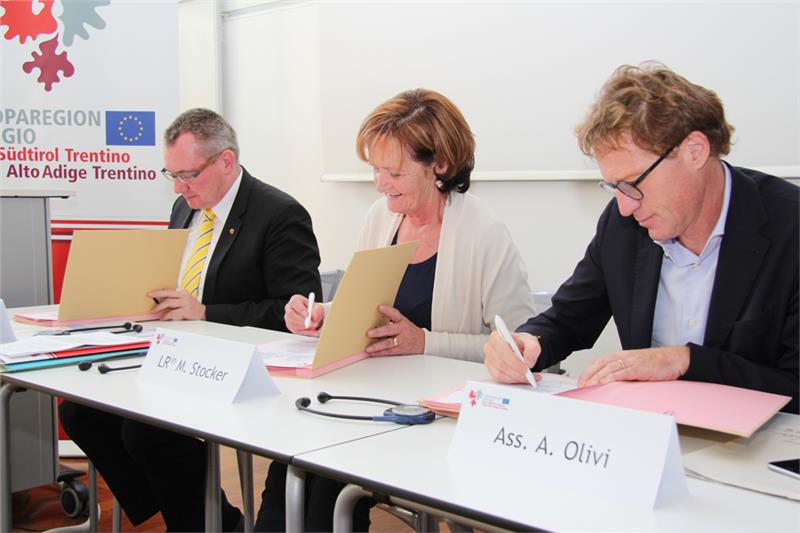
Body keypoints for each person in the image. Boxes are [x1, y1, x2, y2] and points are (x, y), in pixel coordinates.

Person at [256, 89, 536, 531]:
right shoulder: (380, 217)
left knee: (325, 480)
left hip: (437, 416)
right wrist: (324, 314)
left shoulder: (485, 234)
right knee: (291, 463)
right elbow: (366, 306)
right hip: (374, 397)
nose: (381, 184)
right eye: (376, 170)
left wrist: (425, 342)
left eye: (395, 172)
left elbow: (520, 349)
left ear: (440, 165)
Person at [59, 108, 323, 531]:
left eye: (188, 175)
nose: (179, 188)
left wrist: (204, 312)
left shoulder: (279, 214)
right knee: (80, 413)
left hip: (240, 364)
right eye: (172, 175)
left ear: (226, 161)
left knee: (146, 432)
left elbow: (294, 313)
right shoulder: (186, 210)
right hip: (176, 351)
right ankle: (180, 513)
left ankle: (206, 522)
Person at [484, 63, 799, 414]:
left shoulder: (790, 227)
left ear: (695, 150)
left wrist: (685, 362)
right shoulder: (623, 225)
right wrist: (527, 342)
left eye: (633, 183)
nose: (624, 206)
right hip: (651, 432)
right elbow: (568, 319)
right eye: (614, 187)